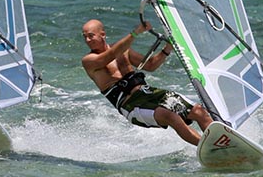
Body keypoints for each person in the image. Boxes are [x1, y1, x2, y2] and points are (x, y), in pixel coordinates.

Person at [81, 18, 212, 146]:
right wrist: (135, 33)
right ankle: (208, 148)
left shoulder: (123, 51)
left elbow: (150, 65)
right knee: (170, 116)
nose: (87, 40)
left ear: (103, 34)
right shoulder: (89, 61)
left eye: (91, 36)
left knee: (198, 111)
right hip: (130, 105)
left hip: (147, 92)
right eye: (85, 37)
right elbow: (110, 55)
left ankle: (219, 141)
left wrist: (167, 48)